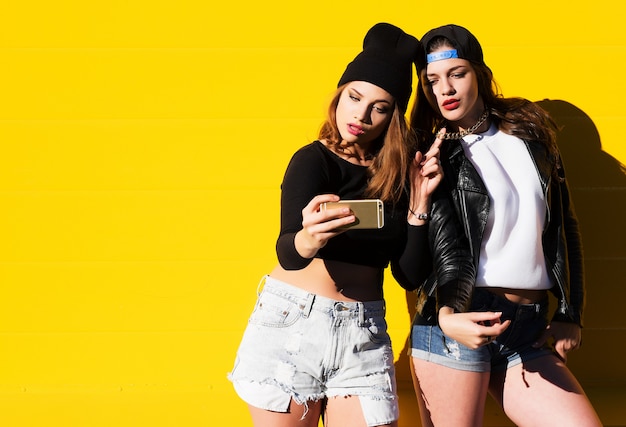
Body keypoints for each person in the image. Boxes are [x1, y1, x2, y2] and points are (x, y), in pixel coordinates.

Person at [228, 23, 443, 427]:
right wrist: (309, 237)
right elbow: (288, 253)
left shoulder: (402, 173)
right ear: (339, 95)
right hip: (292, 325)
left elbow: (408, 275)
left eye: (379, 107)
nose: (360, 115)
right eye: (354, 97)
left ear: (393, 115)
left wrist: (418, 207)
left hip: (364, 332)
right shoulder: (312, 160)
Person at [407, 24, 602, 427]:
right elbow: (446, 248)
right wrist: (447, 313)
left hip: (527, 325)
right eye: (432, 80)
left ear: (478, 72)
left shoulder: (530, 136)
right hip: (460, 321)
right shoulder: (434, 154)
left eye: (456, 73)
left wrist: (570, 309)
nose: (445, 89)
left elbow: (564, 226)